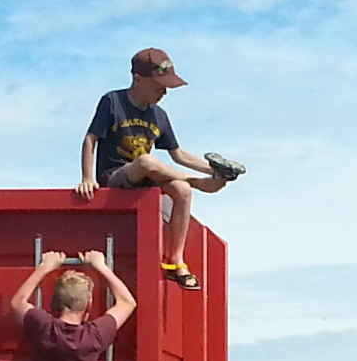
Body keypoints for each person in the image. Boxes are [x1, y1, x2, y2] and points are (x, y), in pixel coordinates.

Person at [75, 48, 244, 289]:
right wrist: (87, 178)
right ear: (137, 79)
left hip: (147, 180)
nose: (164, 92)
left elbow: (179, 154)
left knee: (182, 191)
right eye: (159, 85)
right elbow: (91, 139)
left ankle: (176, 261)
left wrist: (214, 171)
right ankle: (197, 183)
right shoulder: (113, 102)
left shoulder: (159, 116)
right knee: (146, 161)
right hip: (114, 177)